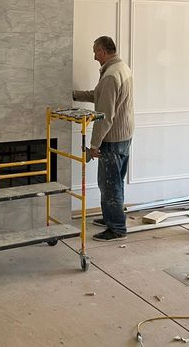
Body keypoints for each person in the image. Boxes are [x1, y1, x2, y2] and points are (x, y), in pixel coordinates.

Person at [73, 36, 134, 241]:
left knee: (109, 184)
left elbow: (105, 116)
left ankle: (116, 228)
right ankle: (111, 217)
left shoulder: (110, 76)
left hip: (112, 138)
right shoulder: (121, 68)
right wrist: (74, 94)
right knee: (115, 181)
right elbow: (100, 96)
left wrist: (93, 145)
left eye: (94, 51)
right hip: (123, 135)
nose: (93, 56)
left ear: (102, 51)